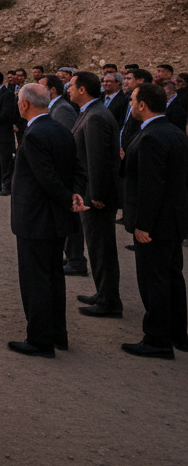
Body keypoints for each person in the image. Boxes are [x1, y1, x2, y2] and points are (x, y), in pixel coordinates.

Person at [8, 82, 88, 357]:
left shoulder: (33, 135)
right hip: (56, 219)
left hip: (36, 220)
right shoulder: (60, 129)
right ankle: (57, 334)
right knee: (54, 277)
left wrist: (68, 197)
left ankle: (40, 340)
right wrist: (75, 194)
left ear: (25, 104)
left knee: (36, 280)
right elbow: (77, 168)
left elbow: (47, 179)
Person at [120, 83, 188, 359]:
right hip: (173, 220)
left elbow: (151, 185)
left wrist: (143, 224)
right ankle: (176, 332)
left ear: (143, 104)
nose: (130, 105)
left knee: (154, 280)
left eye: (133, 100)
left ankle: (157, 340)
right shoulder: (175, 133)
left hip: (155, 224)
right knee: (172, 277)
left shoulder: (150, 137)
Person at [68, 71, 123, 318]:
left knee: (102, 248)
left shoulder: (95, 117)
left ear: (82, 90)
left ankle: (109, 302)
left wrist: (95, 195)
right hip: (92, 193)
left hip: (95, 197)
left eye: (71, 85)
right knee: (98, 247)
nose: (67, 89)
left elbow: (97, 160)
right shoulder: (90, 112)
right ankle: (103, 294)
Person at [41, 75, 87, 276]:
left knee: (71, 217)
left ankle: (77, 259)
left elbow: (69, 142)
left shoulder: (63, 109)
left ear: (51, 90)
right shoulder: (55, 107)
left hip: (66, 173)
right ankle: (71, 256)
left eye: (41, 87)